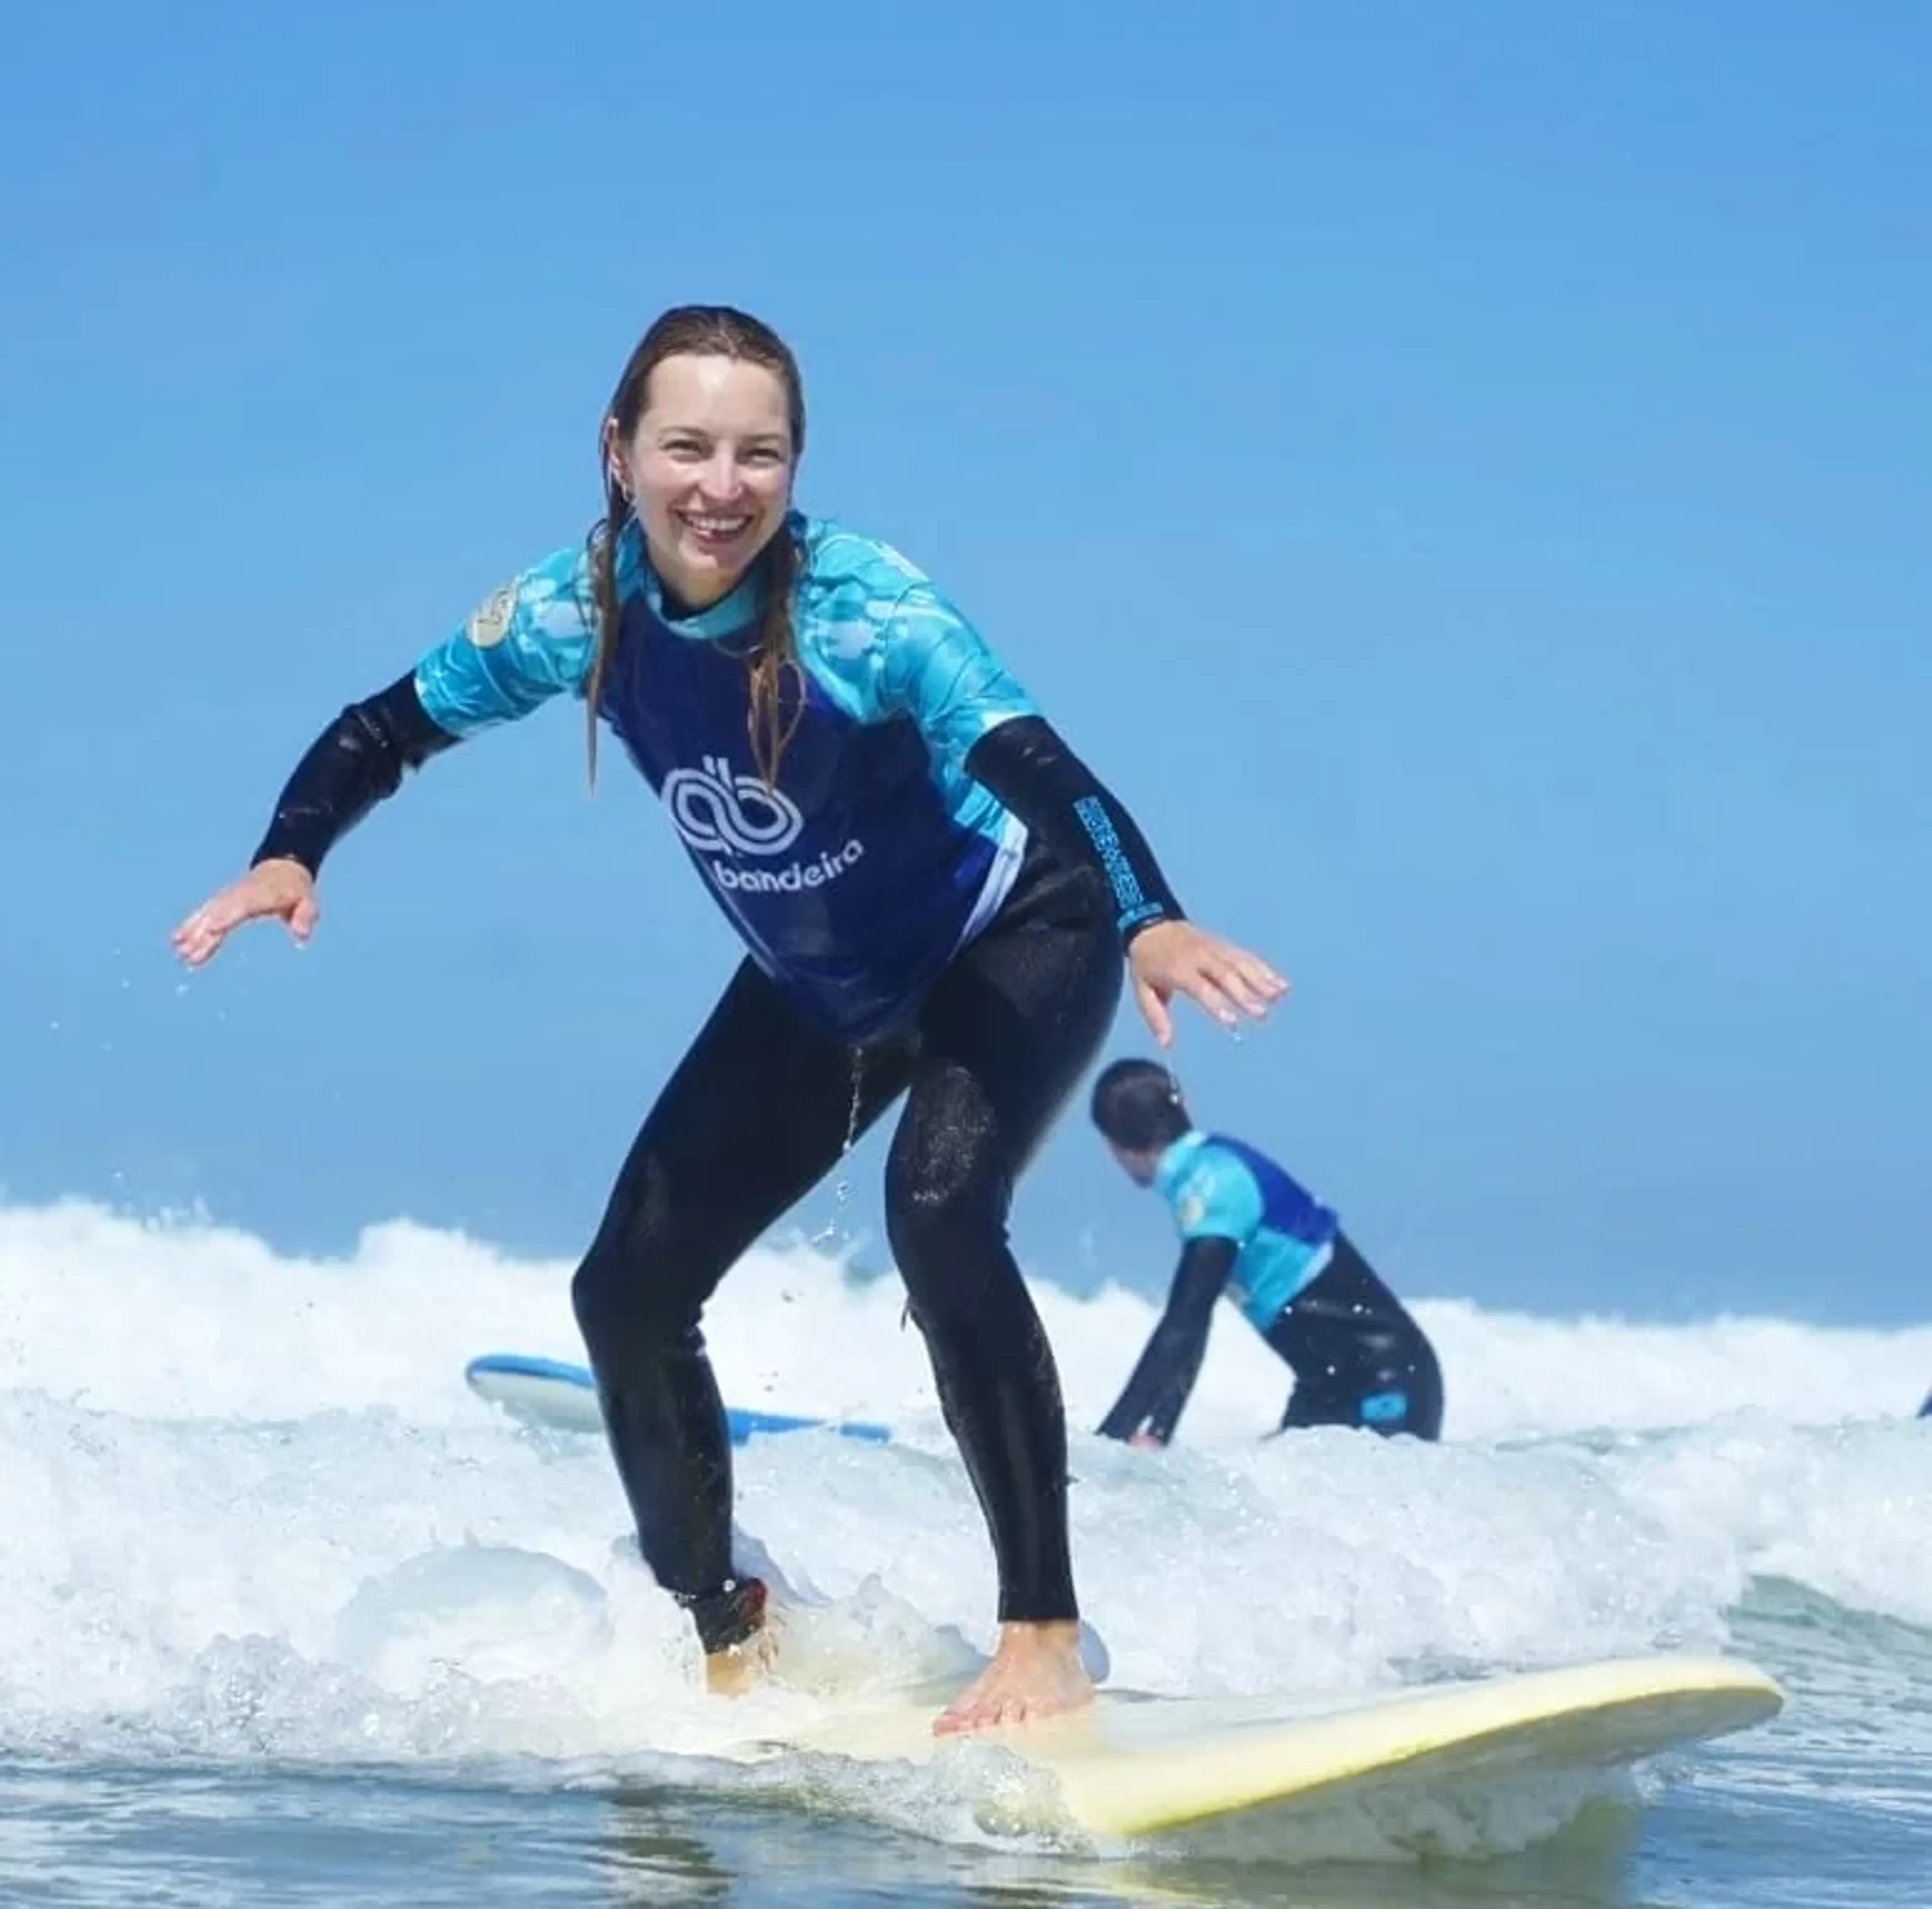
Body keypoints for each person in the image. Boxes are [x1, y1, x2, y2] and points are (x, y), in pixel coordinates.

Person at [171, 304, 1287, 1735]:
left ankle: (1042, 1635)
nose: (722, 484)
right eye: (687, 446)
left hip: (1017, 927)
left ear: (795, 466)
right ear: (619, 453)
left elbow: (1040, 765)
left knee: (940, 1210)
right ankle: (728, 1629)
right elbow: (387, 725)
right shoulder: (579, 610)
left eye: (760, 453)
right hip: (826, 980)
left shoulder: (866, 611)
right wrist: (291, 851)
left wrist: (1150, 912)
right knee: (624, 1291)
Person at [1089, 1059, 1443, 1447]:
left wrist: (1108, 1442)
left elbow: (1181, 1326)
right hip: (1330, 1387)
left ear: (1114, 1145)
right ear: (1183, 1105)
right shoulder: (1208, 1171)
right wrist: (1159, 1431)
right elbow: (1194, 1321)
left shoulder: (1212, 1189)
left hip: (1384, 1385)